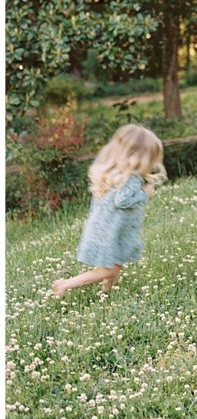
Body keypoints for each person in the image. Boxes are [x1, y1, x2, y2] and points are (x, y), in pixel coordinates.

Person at [52, 124, 165, 298]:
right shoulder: (131, 179)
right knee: (110, 269)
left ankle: (108, 293)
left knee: (113, 264)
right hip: (109, 235)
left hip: (105, 231)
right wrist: (144, 192)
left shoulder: (113, 174)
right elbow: (123, 200)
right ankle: (65, 284)